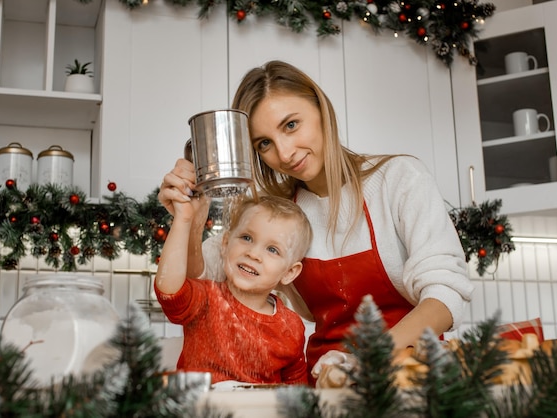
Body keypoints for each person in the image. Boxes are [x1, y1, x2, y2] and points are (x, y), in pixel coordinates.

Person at [158, 60, 474, 386]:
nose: (284, 153)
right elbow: (201, 275)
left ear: (321, 109)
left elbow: (445, 296)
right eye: (263, 143)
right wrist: (191, 218)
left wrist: (367, 362)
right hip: (325, 382)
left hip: (412, 374)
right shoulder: (282, 213)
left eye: (291, 125)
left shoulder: (399, 180)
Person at [154, 194, 311, 386]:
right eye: (247, 238)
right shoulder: (205, 298)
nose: (253, 254)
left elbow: (297, 390)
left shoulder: (292, 326)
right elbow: (169, 292)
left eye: (272, 250)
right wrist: (183, 220)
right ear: (226, 243)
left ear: (289, 272)